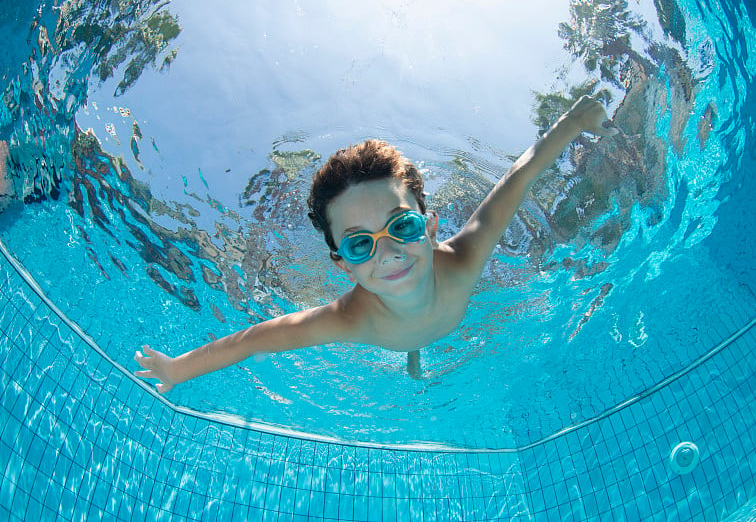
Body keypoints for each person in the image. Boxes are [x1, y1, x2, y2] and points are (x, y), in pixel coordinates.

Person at [134, 96, 617, 392]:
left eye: (402, 227)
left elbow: (517, 179)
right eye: (360, 245)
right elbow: (256, 338)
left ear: (429, 229)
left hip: (439, 319)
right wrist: (179, 368)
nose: (386, 252)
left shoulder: (465, 258)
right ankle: (413, 354)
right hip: (400, 333)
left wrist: (572, 123)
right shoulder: (350, 318)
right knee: (414, 350)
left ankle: (414, 352)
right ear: (343, 264)